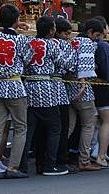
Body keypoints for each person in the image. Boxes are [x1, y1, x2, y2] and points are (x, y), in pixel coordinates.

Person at [0, 5, 31, 180]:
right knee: (20, 127)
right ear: (16, 20)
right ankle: (13, 167)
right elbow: (28, 59)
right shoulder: (21, 40)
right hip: (14, 86)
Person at [19, 17, 68, 176]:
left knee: (30, 129)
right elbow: (63, 62)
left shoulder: (29, 42)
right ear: (51, 31)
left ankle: (23, 165)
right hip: (46, 88)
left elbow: (24, 62)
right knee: (54, 128)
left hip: (29, 86)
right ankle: (49, 165)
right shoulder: (52, 44)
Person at [67, 22, 101, 172]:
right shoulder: (87, 43)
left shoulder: (71, 41)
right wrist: (82, 85)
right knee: (89, 123)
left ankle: (59, 157)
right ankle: (84, 160)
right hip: (82, 88)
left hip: (67, 85)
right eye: (97, 35)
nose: (97, 39)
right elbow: (85, 67)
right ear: (91, 32)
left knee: (69, 126)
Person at [91, 19, 109, 169]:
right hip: (103, 86)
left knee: (92, 124)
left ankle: (90, 152)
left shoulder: (84, 42)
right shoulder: (103, 45)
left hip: (89, 86)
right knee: (107, 122)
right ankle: (101, 155)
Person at [52, 18, 77, 173]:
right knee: (61, 126)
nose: (69, 37)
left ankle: (45, 159)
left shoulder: (38, 43)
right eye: (67, 34)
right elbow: (71, 65)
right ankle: (60, 159)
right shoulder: (63, 45)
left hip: (36, 88)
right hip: (59, 87)